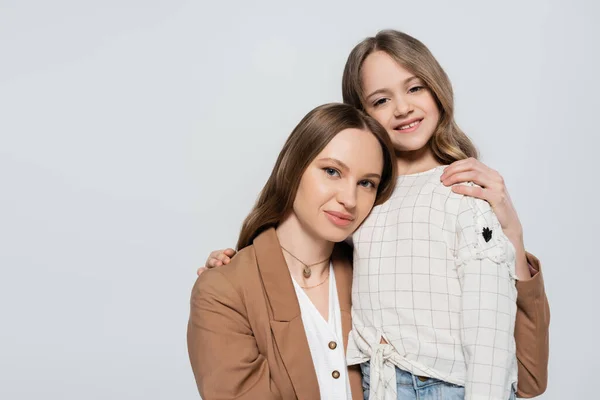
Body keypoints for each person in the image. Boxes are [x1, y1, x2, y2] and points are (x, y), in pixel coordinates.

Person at [199, 30, 549, 400]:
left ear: (438, 88)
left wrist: (513, 236)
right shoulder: (367, 214)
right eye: (381, 100)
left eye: (415, 88)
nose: (402, 108)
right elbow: (296, 248)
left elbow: (518, 368)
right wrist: (235, 269)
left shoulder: (461, 193)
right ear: (363, 116)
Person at [188, 103, 397, 400]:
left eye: (366, 183)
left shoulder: (371, 276)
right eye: (332, 171)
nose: (350, 199)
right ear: (294, 167)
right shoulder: (223, 291)